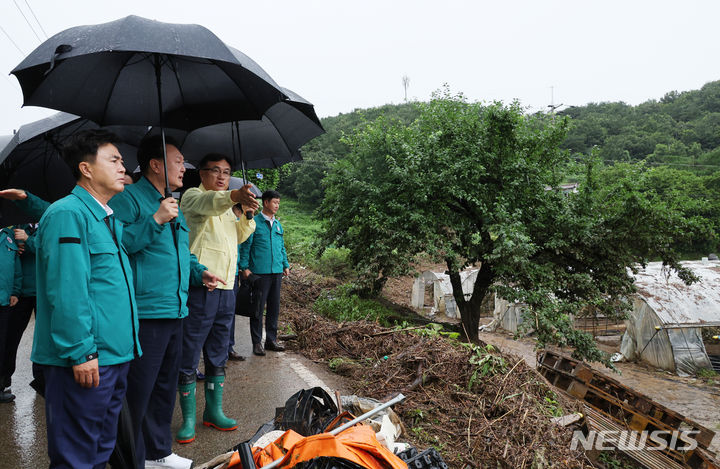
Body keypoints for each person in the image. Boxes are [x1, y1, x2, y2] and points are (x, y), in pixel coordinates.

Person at [108, 135, 227, 469]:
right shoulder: (129, 199)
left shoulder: (170, 201)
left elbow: (179, 253)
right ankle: (130, 458)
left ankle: (158, 452)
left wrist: (198, 272)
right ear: (155, 164)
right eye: (177, 161)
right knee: (138, 391)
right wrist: (156, 219)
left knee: (164, 387)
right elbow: (119, 245)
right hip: (146, 312)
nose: (184, 167)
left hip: (176, 308)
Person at [32, 129, 141, 468]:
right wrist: (81, 351)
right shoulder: (68, 214)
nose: (123, 167)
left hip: (114, 356)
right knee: (75, 456)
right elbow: (67, 290)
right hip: (85, 360)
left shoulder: (106, 218)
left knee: (99, 450)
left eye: (123, 161)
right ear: (86, 168)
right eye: (114, 160)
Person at [176, 153, 257, 443]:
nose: (222, 176)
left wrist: (247, 214)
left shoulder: (226, 206)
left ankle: (213, 412)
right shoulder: (193, 197)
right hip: (201, 286)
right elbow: (210, 204)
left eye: (226, 172)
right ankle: (186, 419)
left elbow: (236, 237)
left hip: (226, 287)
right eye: (215, 171)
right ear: (202, 173)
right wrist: (235, 195)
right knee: (189, 350)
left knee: (219, 349)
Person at [238, 190, 290, 357]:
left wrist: (285, 264)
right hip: (259, 273)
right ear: (266, 203)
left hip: (276, 272)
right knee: (258, 308)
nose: (277, 206)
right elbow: (246, 246)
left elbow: (281, 246)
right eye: (274, 202)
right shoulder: (254, 222)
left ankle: (271, 340)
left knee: (274, 307)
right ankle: (256, 343)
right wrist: (244, 267)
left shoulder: (278, 224)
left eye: (278, 203)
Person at [0, 222, 37, 403]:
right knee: (10, 338)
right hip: (20, 293)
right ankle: (4, 379)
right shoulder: (13, 229)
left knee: (46, 339)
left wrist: (29, 241)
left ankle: (44, 378)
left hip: (46, 292)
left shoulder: (51, 221)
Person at [0, 225, 21, 403]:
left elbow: (16, 267)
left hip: (4, 300)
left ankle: (0, 387)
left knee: (3, 344)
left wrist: (15, 291)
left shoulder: (9, 236)